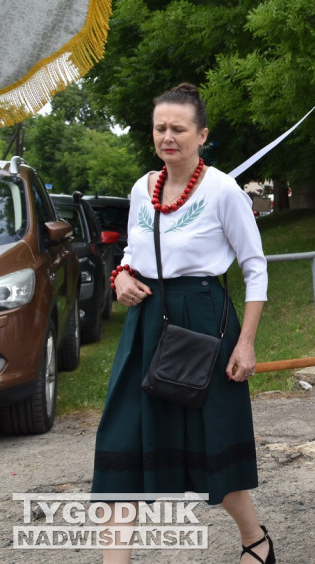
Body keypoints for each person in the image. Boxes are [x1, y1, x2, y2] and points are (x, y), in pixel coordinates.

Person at [92, 83, 274, 564]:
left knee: (211, 446)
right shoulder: (141, 188)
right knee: (121, 443)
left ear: (202, 134)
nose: (167, 136)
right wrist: (122, 277)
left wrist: (247, 343)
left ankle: (255, 539)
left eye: (178, 128)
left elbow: (254, 267)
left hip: (203, 321)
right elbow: (131, 254)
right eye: (160, 128)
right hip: (146, 323)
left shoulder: (222, 190)